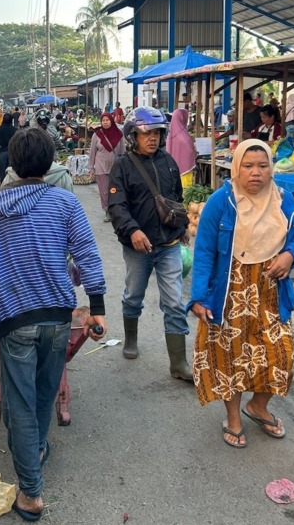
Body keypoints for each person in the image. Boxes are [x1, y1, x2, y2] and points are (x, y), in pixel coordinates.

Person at [0, 127, 106, 522]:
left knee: (23, 404)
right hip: (58, 318)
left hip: (12, 320)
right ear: (49, 163)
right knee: (42, 396)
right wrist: (96, 306)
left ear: (11, 162)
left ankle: (30, 493)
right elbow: (87, 253)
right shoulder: (65, 201)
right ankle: (35, 450)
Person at [189, 140, 294, 448]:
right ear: (236, 168)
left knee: (281, 355)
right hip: (229, 291)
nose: (256, 172)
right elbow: (204, 252)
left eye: (263, 166)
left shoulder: (283, 200)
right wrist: (199, 297)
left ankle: (257, 406)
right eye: (248, 165)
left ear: (271, 169)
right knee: (229, 357)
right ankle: (233, 418)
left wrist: (290, 256)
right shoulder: (220, 202)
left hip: (270, 291)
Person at [107, 107, 193, 381]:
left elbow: (176, 198)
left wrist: (182, 226)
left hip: (168, 245)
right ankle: (131, 339)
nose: (153, 138)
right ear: (133, 136)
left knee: (174, 303)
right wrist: (132, 230)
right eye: (146, 133)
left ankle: (178, 364)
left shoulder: (169, 162)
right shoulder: (122, 165)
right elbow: (116, 205)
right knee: (134, 295)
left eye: (156, 133)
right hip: (138, 248)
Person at [88, 112, 125, 222]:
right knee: (104, 191)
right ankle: (107, 211)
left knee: (115, 190)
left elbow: (123, 152)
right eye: (103, 120)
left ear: (111, 121)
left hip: (115, 167)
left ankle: (116, 210)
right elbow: (92, 153)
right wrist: (91, 168)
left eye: (107, 120)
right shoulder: (97, 135)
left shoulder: (119, 134)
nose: (105, 122)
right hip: (101, 167)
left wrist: (125, 167)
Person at [166, 108, 197, 189]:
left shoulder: (171, 134)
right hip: (185, 169)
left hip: (173, 169)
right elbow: (190, 151)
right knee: (186, 189)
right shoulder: (184, 136)